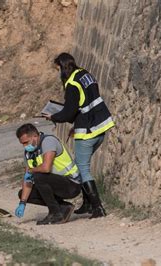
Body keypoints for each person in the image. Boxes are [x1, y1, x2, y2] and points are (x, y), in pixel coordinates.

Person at [47, 52, 115, 218]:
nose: (58, 74)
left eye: (58, 69)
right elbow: (85, 103)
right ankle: (87, 204)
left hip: (88, 131)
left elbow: (68, 113)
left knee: (82, 169)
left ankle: (97, 207)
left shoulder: (71, 84)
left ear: (62, 68)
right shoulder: (85, 74)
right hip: (101, 126)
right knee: (80, 164)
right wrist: (76, 124)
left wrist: (53, 116)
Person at [14, 123, 81, 225]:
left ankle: (55, 213)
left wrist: (31, 171)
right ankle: (63, 207)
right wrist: (22, 203)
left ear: (35, 137)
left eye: (26, 142)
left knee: (39, 176)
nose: (24, 146)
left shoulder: (48, 142)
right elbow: (27, 180)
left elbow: (46, 168)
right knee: (24, 193)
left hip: (71, 184)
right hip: (55, 184)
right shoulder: (28, 153)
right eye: (22, 144)